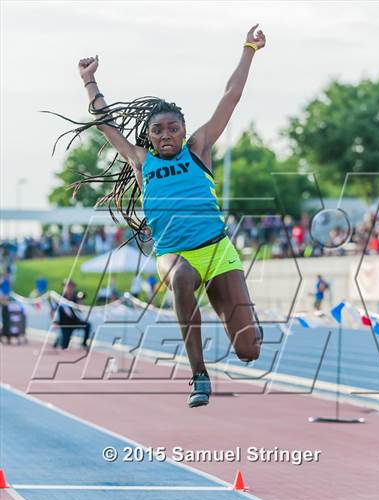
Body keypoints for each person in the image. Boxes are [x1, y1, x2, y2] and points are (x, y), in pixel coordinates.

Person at [50, 25, 266, 408]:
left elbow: (231, 97)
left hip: (217, 250)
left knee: (249, 350)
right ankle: (199, 375)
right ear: (148, 137)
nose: (166, 134)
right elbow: (105, 123)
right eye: (158, 130)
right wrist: (90, 81)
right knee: (182, 277)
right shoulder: (141, 160)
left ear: (184, 131)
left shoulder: (198, 149)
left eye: (173, 128)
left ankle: (248, 327)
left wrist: (249, 48)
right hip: (173, 252)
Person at [53, 280, 91, 350]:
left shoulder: (75, 296)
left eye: (71, 287)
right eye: (67, 286)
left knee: (87, 325)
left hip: (74, 321)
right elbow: (54, 310)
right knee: (64, 345)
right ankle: (58, 340)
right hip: (64, 323)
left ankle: (84, 344)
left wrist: (80, 303)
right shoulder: (60, 297)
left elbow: (80, 308)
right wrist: (55, 322)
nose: (70, 288)